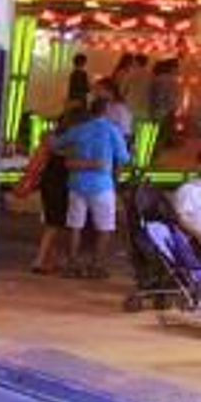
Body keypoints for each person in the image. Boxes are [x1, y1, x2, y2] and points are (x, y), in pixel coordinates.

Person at [53, 97, 130, 279]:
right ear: (107, 111)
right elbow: (124, 158)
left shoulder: (79, 129)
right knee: (105, 227)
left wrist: (70, 156)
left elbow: (55, 144)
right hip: (102, 185)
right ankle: (96, 265)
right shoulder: (113, 130)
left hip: (77, 184)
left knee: (74, 225)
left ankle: (72, 264)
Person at [13, 106, 78, 275]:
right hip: (59, 184)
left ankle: (49, 259)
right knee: (55, 224)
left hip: (50, 183)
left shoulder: (51, 138)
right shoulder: (64, 141)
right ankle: (42, 259)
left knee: (55, 223)